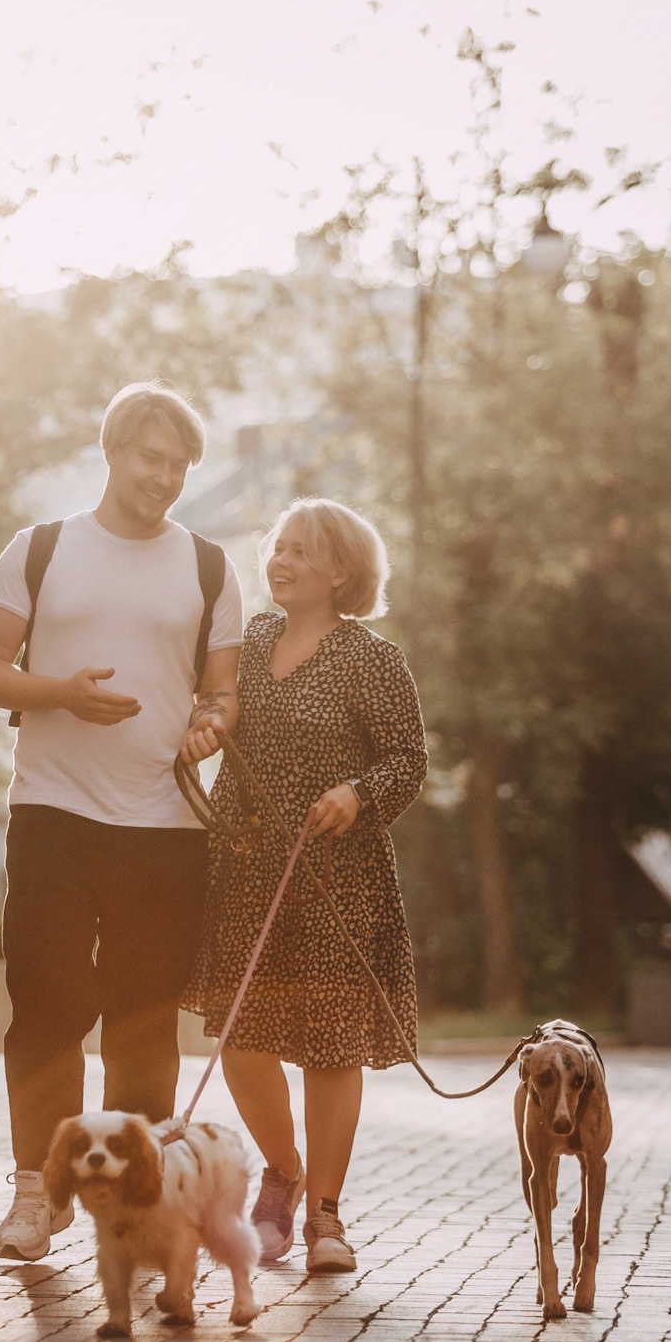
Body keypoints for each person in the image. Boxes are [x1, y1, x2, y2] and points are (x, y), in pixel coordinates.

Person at [0, 381, 245, 1262]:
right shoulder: (40, 550)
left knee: (142, 1026)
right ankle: (34, 1198)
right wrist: (61, 697)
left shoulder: (208, 565)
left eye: (178, 464)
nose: (163, 476)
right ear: (113, 451)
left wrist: (212, 725)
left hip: (164, 826)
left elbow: (224, 690)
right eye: (149, 457)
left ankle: (135, 1205)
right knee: (44, 1008)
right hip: (53, 811)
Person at [179, 498, 427, 1274]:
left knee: (329, 1048)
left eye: (299, 551)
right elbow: (215, 708)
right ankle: (281, 1169)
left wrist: (357, 793)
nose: (278, 561)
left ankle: (324, 1212)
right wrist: (205, 727)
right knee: (243, 1039)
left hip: (334, 876)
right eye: (276, 547)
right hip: (247, 869)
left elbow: (408, 760)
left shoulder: (373, 660)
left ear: (341, 571)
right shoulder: (245, 643)